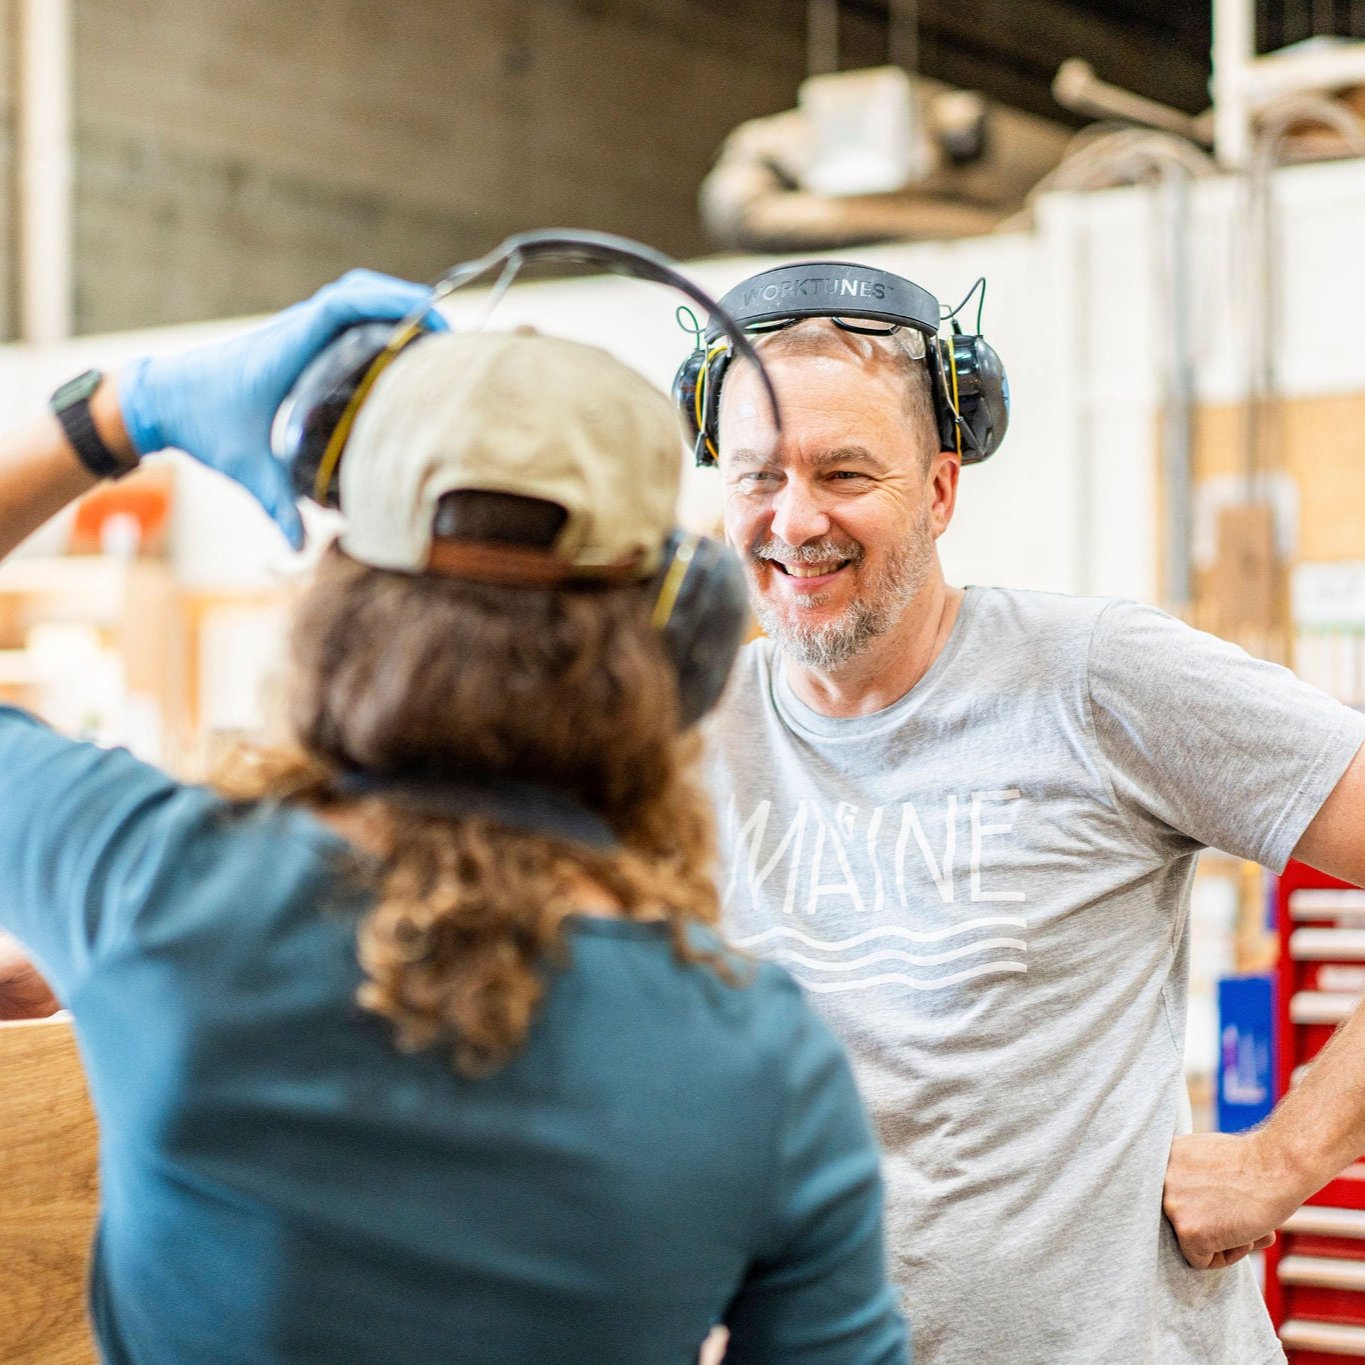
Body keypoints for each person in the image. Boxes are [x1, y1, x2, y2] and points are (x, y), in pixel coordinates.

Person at [0, 272, 907, 1364]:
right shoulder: (767, 1067)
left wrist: (119, 413)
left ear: (336, 607)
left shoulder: (156, 891)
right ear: (679, 643)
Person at [692, 257, 1365, 1364]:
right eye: (758, 474)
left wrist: (1281, 1159)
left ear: (943, 489)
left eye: (845, 473)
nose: (794, 518)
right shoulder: (687, 727)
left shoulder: (1094, 679)